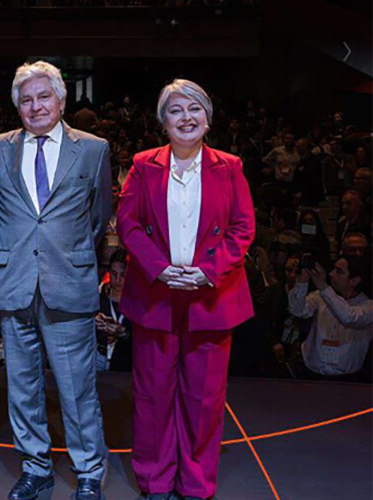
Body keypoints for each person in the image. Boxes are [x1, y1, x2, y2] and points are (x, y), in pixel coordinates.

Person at [117, 79, 255, 500]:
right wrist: (159, 269)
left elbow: (243, 227)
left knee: (204, 398)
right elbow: (128, 224)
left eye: (194, 109)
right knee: (153, 394)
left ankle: (196, 483)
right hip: (156, 294)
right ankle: (155, 480)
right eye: (176, 110)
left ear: (208, 119)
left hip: (211, 295)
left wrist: (207, 271)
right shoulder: (143, 164)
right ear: (163, 122)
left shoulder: (230, 166)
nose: (186, 118)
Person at [0, 61, 111, 500]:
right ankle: (35, 466)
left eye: (43, 97)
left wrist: (63, 254)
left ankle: (89, 470)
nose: (35, 106)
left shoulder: (93, 149)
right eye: (26, 99)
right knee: (22, 385)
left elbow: (97, 219)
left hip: (68, 282)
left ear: (61, 99)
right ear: (18, 105)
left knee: (77, 386)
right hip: (13, 282)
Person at [289, 256, 373, 380]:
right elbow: (297, 310)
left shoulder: (369, 306)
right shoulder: (321, 296)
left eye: (339, 271)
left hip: (348, 380)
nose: (331, 274)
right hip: (310, 373)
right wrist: (303, 281)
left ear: (354, 280)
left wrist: (323, 286)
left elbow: (348, 317)